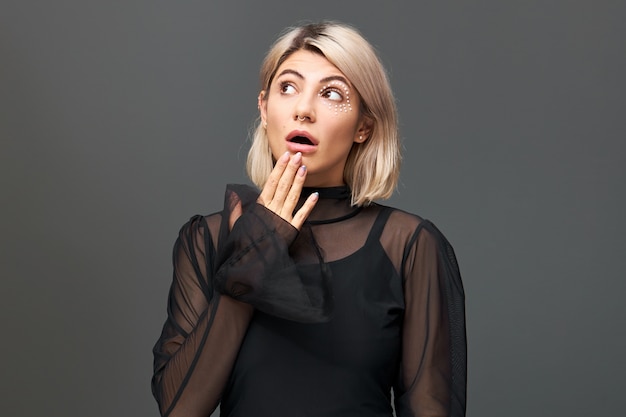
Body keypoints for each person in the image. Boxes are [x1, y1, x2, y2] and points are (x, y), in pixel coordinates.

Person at [151, 21, 467, 417]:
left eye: (331, 93)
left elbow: (430, 408)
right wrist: (253, 255)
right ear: (264, 109)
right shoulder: (208, 239)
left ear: (363, 128)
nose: (303, 109)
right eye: (288, 87)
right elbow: (180, 408)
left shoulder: (409, 246)